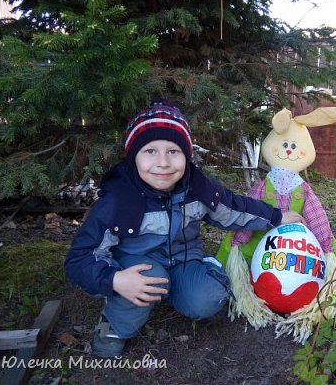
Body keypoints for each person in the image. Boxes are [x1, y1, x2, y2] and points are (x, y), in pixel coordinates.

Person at [64, 100, 304, 358]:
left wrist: (275, 216)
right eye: (150, 151)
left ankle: (206, 272)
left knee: (207, 300)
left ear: (186, 155)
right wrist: (116, 280)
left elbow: (233, 208)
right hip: (138, 267)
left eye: (173, 151)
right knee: (150, 278)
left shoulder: (197, 187)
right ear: (134, 156)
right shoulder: (118, 200)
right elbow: (79, 259)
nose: (163, 163)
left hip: (183, 260)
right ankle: (115, 325)